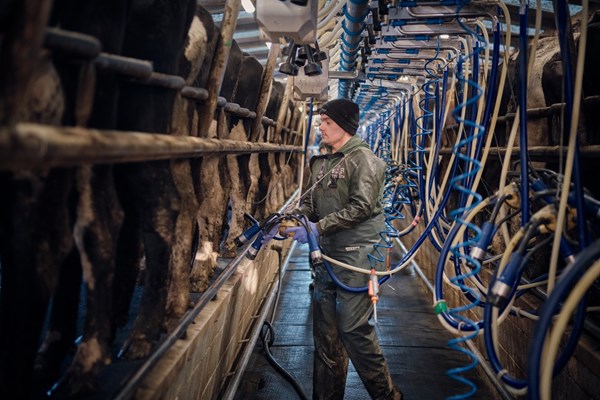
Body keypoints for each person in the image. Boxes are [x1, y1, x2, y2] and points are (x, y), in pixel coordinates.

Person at [284, 98, 403, 400]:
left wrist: (318, 228)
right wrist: (292, 220)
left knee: (353, 329)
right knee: (325, 336)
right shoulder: (323, 162)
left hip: (357, 257)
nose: (320, 127)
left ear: (344, 125)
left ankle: (387, 396)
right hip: (327, 257)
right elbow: (310, 204)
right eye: (320, 121)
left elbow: (362, 207)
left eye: (326, 122)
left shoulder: (364, 160)